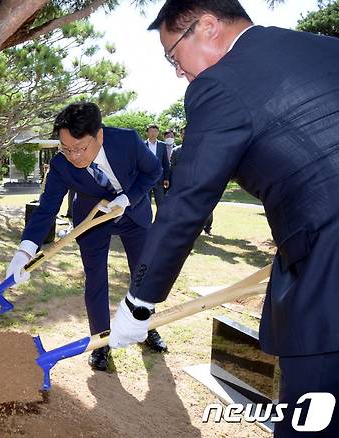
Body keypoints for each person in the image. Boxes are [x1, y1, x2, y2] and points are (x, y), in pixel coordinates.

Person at [108, 1, 339, 436]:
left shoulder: (219, 85)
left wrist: (139, 301)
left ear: (208, 27)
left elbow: (189, 200)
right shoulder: (324, 48)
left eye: (173, 56)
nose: (178, 72)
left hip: (329, 277)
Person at [7, 102, 168, 372]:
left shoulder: (126, 140)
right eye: (65, 148)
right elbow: (47, 209)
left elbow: (153, 171)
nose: (74, 157)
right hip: (92, 220)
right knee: (95, 280)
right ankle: (100, 342)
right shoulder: (61, 165)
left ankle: (146, 326)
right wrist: (24, 251)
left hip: (134, 213)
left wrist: (127, 199)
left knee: (142, 275)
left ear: (100, 136)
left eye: (80, 148)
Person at [169, 126, 213, 235]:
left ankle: (207, 227)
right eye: (183, 133)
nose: (185, 135)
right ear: (180, 135)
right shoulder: (176, 150)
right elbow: (172, 167)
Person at [144, 124, 170, 207]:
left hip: (159, 178)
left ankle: (160, 220)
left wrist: (166, 178)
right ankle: (147, 220)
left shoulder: (162, 145)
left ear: (158, 133)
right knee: (146, 203)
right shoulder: (142, 144)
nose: (153, 133)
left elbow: (165, 162)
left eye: (155, 131)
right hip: (145, 178)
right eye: (151, 131)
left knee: (160, 202)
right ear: (147, 133)